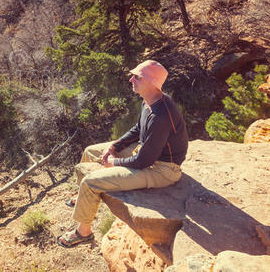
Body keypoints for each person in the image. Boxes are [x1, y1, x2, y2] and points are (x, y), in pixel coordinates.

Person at [57, 60, 189, 248]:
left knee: (91, 182)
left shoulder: (161, 116)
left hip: (162, 170)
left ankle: (83, 232)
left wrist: (115, 163)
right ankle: (83, 198)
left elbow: (144, 160)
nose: (130, 79)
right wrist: (114, 146)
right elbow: (138, 129)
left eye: (137, 76)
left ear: (151, 82)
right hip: (148, 153)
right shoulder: (152, 100)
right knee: (90, 151)